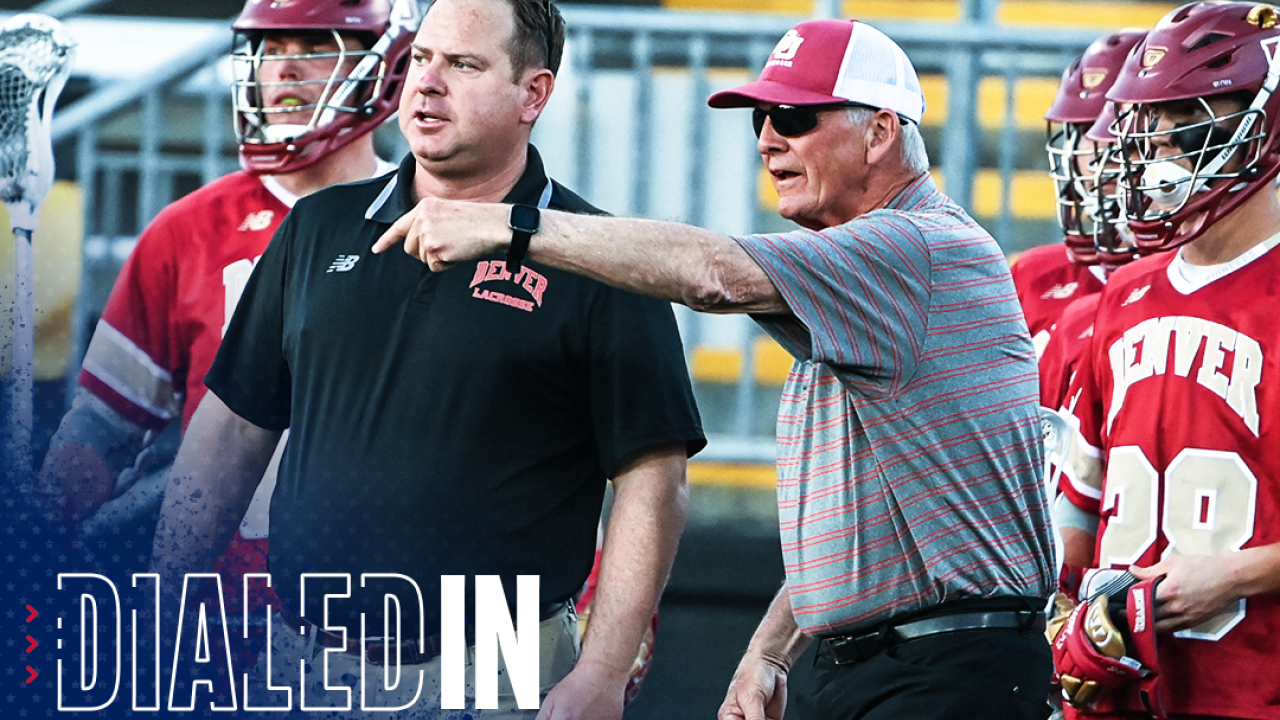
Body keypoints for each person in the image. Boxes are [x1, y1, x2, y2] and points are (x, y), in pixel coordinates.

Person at [375, 17, 1057, 720]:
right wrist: (769, 649)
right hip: (902, 663)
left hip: (947, 672)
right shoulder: (870, 285)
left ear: (880, 133)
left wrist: (512, 227)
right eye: (762, 117)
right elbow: (876, 529)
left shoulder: (915, 249)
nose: (768, 138)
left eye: (794, 116)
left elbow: (713, 275)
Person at [150, 0, 704, 717]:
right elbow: (228, 434)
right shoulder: (316, 228)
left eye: (464, 64)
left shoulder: (601, 258)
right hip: (302, 664)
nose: (428, 83)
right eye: (421, 58)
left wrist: (602, 670)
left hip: (500, 674)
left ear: (532, 94)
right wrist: (161, 600)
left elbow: (654, 481)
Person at [34, 0, 410, 621]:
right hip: (224, 614)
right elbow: (106, 425)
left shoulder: (436, 227)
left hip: (390, 618)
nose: (282, 73)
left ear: (384, 66)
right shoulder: (187, 231)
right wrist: (39, 527)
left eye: (314, 48)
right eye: (271, 50)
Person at [1053, 3, 1280, 718]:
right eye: (1148, 121)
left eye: (1185, 115)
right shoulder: (1122, 295)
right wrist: (1066, 620)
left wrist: (1232, 577)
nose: (1156, 147)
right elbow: (1080, 505)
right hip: (1124, 693)